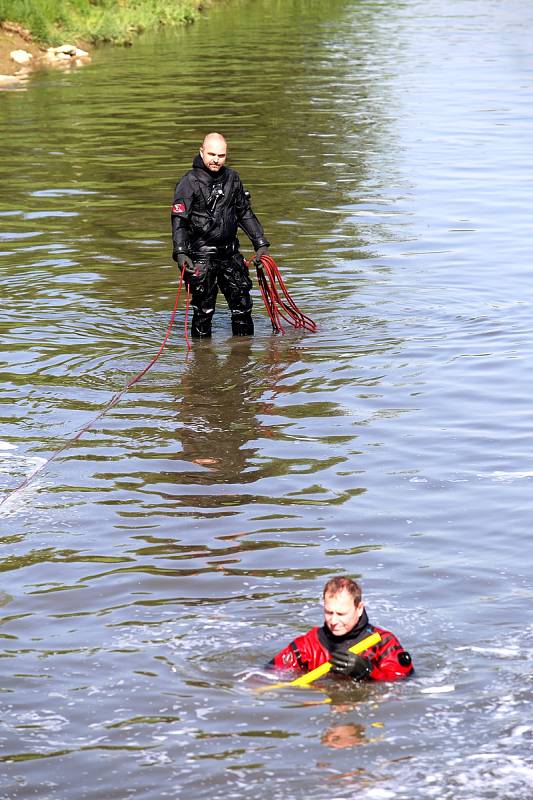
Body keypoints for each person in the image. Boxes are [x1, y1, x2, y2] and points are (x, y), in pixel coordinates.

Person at [170, 132, 271, 337]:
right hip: (201, 257)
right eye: (211, 154)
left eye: (221, 155)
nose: (216, 159)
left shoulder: (232, 178)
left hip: (230, 254)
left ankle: (243, 358)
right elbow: (179, 220)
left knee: (243, 307)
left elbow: (244, 213)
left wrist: (260, 243)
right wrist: (181, 253)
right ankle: (201, 361)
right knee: (204, 311)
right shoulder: (189, 182)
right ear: (201, 152)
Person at [268, 576, 413, 682]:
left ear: (359, 609)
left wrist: (368, 671)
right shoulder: (308, 645)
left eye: (341, 614)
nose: (334, 621)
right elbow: (270, 673)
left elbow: (403, 683)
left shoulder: (384, 642)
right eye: (329, 612)